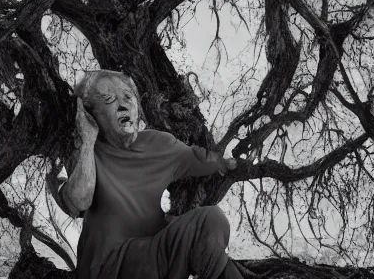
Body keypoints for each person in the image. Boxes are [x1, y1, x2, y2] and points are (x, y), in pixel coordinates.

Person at [50, 70, 249, 279]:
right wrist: (88, 140)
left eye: (128, 97)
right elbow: (79, 201)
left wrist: (224, 163)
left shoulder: (158, 143)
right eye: (109, 100)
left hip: (155, 249)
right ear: (90, 115)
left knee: (212, 218)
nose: (123, 105)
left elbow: (196, 159)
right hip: (110, 265)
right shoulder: (85, 152)